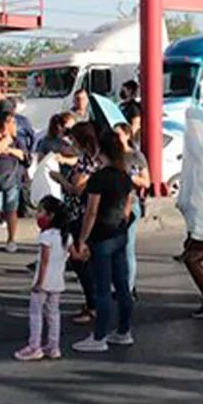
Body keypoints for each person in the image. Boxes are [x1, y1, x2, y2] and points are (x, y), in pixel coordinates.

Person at [72, 129, 137, 353]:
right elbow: (128, 208)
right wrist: (122, 224)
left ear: (102, 151)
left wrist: (82, 239)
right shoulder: (124, 175)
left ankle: (99, 336)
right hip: (119, 233)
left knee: (102, 288)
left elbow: (91, 212)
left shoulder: (98, 178)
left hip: (100, 236)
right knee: (122, 285)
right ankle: (124, 331)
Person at [50, 122, 102, 325]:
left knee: (81, 261)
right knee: (87, 263)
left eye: (73, 140)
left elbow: (76, 189)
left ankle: (92, 305)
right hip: (80, 213)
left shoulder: (86, 162)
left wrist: (60, 180)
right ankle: (93, 302)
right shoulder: (95, 159)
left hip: (78, 214)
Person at [15, 196, 72, 362]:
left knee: (36, 314)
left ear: (51, 215)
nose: (38, 215)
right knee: (54, 314)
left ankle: (34, 346)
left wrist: (39, 282)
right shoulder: (66, 236)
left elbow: (44, 261)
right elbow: (73, 254)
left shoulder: (46, 236)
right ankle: (53, 346)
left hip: (44, 281)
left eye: (41, 211)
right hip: (57, 282)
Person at [0, 111, 27, 253]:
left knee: (11, 210)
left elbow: (23, 155)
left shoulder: (18, 139)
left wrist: (11, 150)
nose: (15, 125)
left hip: (12, 179)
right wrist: (6, 140)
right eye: (12, 123)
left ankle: (11, 239)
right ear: (4, 124)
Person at [116, 122, 150, 296]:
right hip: (113, 204)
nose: (116, 138)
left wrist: (131, 176)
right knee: (115, 247)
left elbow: (146, 182)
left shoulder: (136, 156)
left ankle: (129, 287)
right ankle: (117, 284)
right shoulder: (111, 155)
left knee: (128, 245)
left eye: (119, 134)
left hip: (132, 202)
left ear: (128, 135)